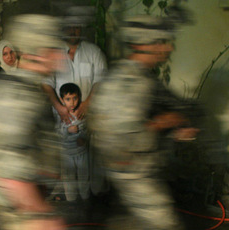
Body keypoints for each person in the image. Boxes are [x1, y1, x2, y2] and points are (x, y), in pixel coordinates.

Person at [89, 10, 197, 230]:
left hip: (136, 177)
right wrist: (162, 123)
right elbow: (118, 140)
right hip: (135, 177)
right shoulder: (131, 82)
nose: (169, 48)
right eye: (164, 42)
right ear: (149, 45)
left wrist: (173, 127)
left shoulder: (138, 77)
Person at [0, 14, 67, 230]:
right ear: (39, 52)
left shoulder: (28, 89)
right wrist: (45, 218)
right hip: (13, 215)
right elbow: (12, 175)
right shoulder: (15, 97)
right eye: (54, 49)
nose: (61, 57)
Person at [42, 6, 108, 197]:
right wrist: (59, 107)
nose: (73, 30)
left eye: (76, 26)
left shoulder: (94, 52)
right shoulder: (54, 55)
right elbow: (46, 84)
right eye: (69, 27)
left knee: (90, 166)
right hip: (64, 122)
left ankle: (91, 200)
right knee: (68, 166)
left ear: (81, 28)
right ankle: (72, 201)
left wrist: (87, 103)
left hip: (89, 122)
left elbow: (101, 80)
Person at [56, 83, 90, 202]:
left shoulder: (82, 114)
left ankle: (85, 198)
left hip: (81, 152)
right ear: (62, 100)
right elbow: (58, 133)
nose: (72, 102)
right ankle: (71, 200)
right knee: (69, 177)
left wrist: (82, 137)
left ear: (79, 98)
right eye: (68, 99)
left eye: (75, 98)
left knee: (83, 176)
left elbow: (88, 128)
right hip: (67, 153)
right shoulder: (62, 115)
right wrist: (67, 130)